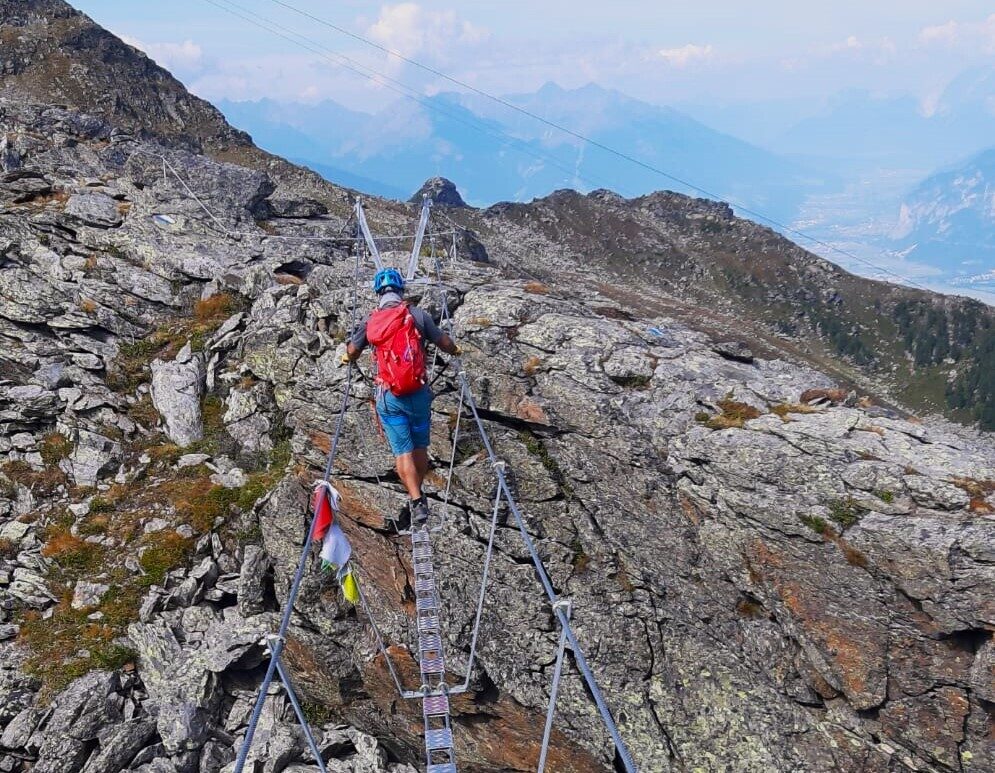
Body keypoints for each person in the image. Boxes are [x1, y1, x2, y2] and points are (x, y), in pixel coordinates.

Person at [341, 267, 461, 525]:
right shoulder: (418, 315)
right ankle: (420, 493)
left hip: (389, 396)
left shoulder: (371, 321)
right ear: (400, 291)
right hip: (418, 394)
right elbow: (445, 344)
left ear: (378, 293)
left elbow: (352, 351)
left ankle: (416, 499)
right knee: (419, 447)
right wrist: (457, 350)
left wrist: (347, 355)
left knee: (402, 452)